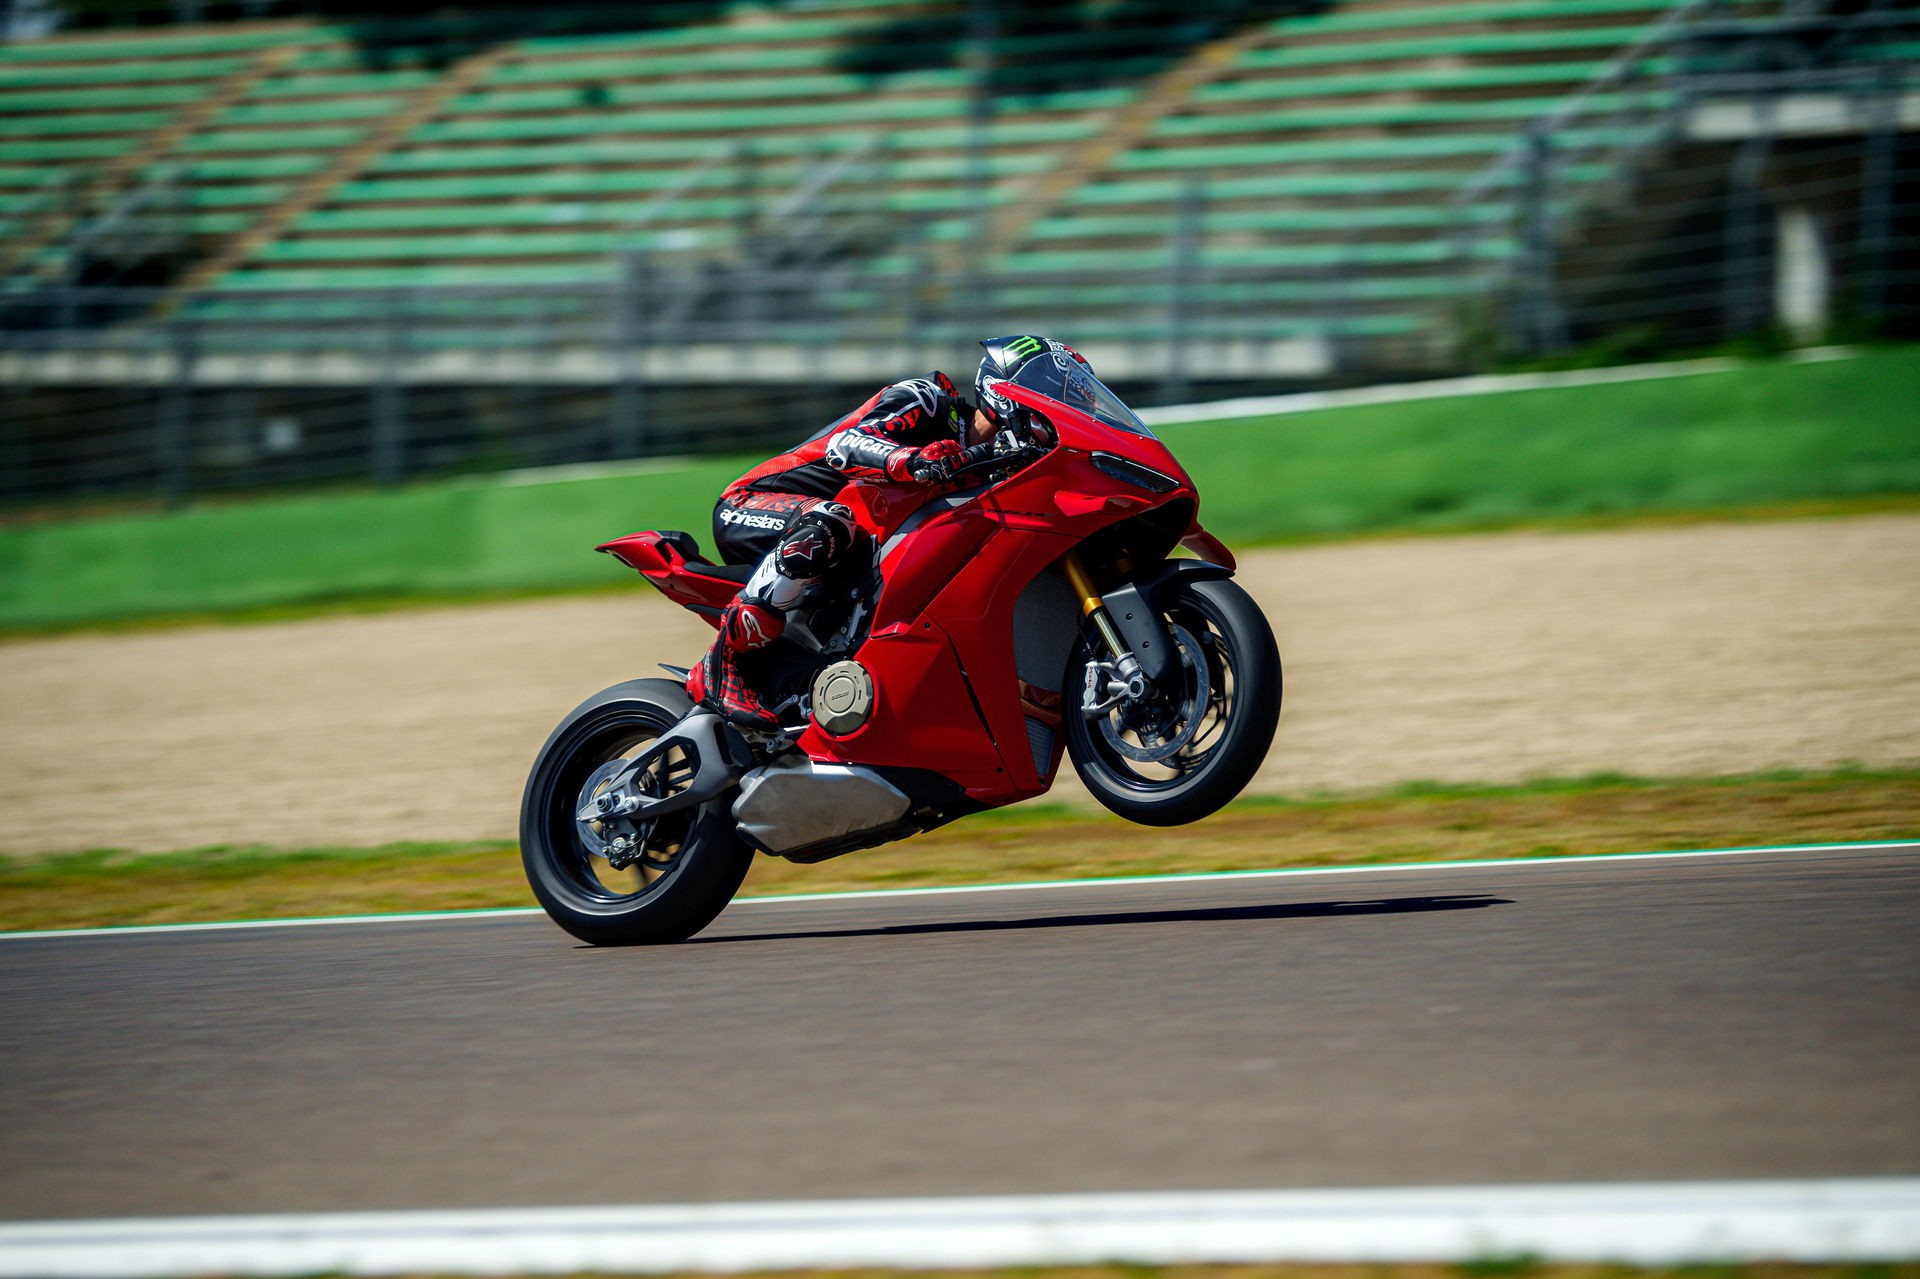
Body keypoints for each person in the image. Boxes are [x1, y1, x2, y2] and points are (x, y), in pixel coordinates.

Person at [688, 336, 1091, 729]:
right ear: (1009, 392)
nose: (1063, 407)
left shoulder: (1000, 468)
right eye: (1055, 395)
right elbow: (845, 445)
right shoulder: (926, 399)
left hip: (851, 548)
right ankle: (724, 663)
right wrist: (910, 459)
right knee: (832, 521)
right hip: (756, 503)